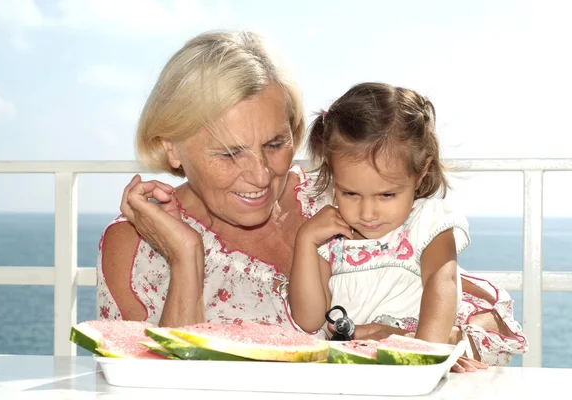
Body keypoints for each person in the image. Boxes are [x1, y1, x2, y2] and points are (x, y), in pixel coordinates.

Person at [95, 29, 525, 371]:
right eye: (229, 153)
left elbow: (487, 312)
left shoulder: (341, 196)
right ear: (171, 148)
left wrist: (417, 344)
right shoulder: (133, 248)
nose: (261, 175)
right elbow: (151, 384)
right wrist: (185, 257)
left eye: (275, 143)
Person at [288, 82, 528, 364]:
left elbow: (443, 284)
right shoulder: (331, 236)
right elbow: (308, 319)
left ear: (421, 173)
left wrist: (426, 354)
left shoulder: (428, 223)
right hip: (354, 366)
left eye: (387, 195)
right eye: (350, 193)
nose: (367, 213)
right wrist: (306, 240)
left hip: (415, 353)